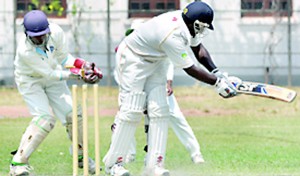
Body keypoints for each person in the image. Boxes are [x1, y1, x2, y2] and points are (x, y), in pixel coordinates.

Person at [104, 1, 237, 176]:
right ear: (196, 23)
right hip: (133, 58)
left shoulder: (187, 22)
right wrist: (217, 84)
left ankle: (154, 166)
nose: (203, 31)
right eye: (203, 27)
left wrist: (217, 72)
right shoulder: (172, 34)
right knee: (132, 109)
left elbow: (198, 49)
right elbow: (190, 69)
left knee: (160, 110)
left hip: (157, 59)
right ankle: (113, 164)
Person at [10, 10, 102, 176]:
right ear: (27, 34)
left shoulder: (57, 32)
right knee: (45, 119)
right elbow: (49, 74)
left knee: (73, 114)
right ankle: (18, 164)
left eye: (42, 35)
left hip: (53, 76)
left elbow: (64, 59)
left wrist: (84, 65)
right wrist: (79, 75)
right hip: (30, 81)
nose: (39, 39)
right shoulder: (25, 50)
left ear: (48, 30)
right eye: (35, 36)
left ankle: (80, 156)